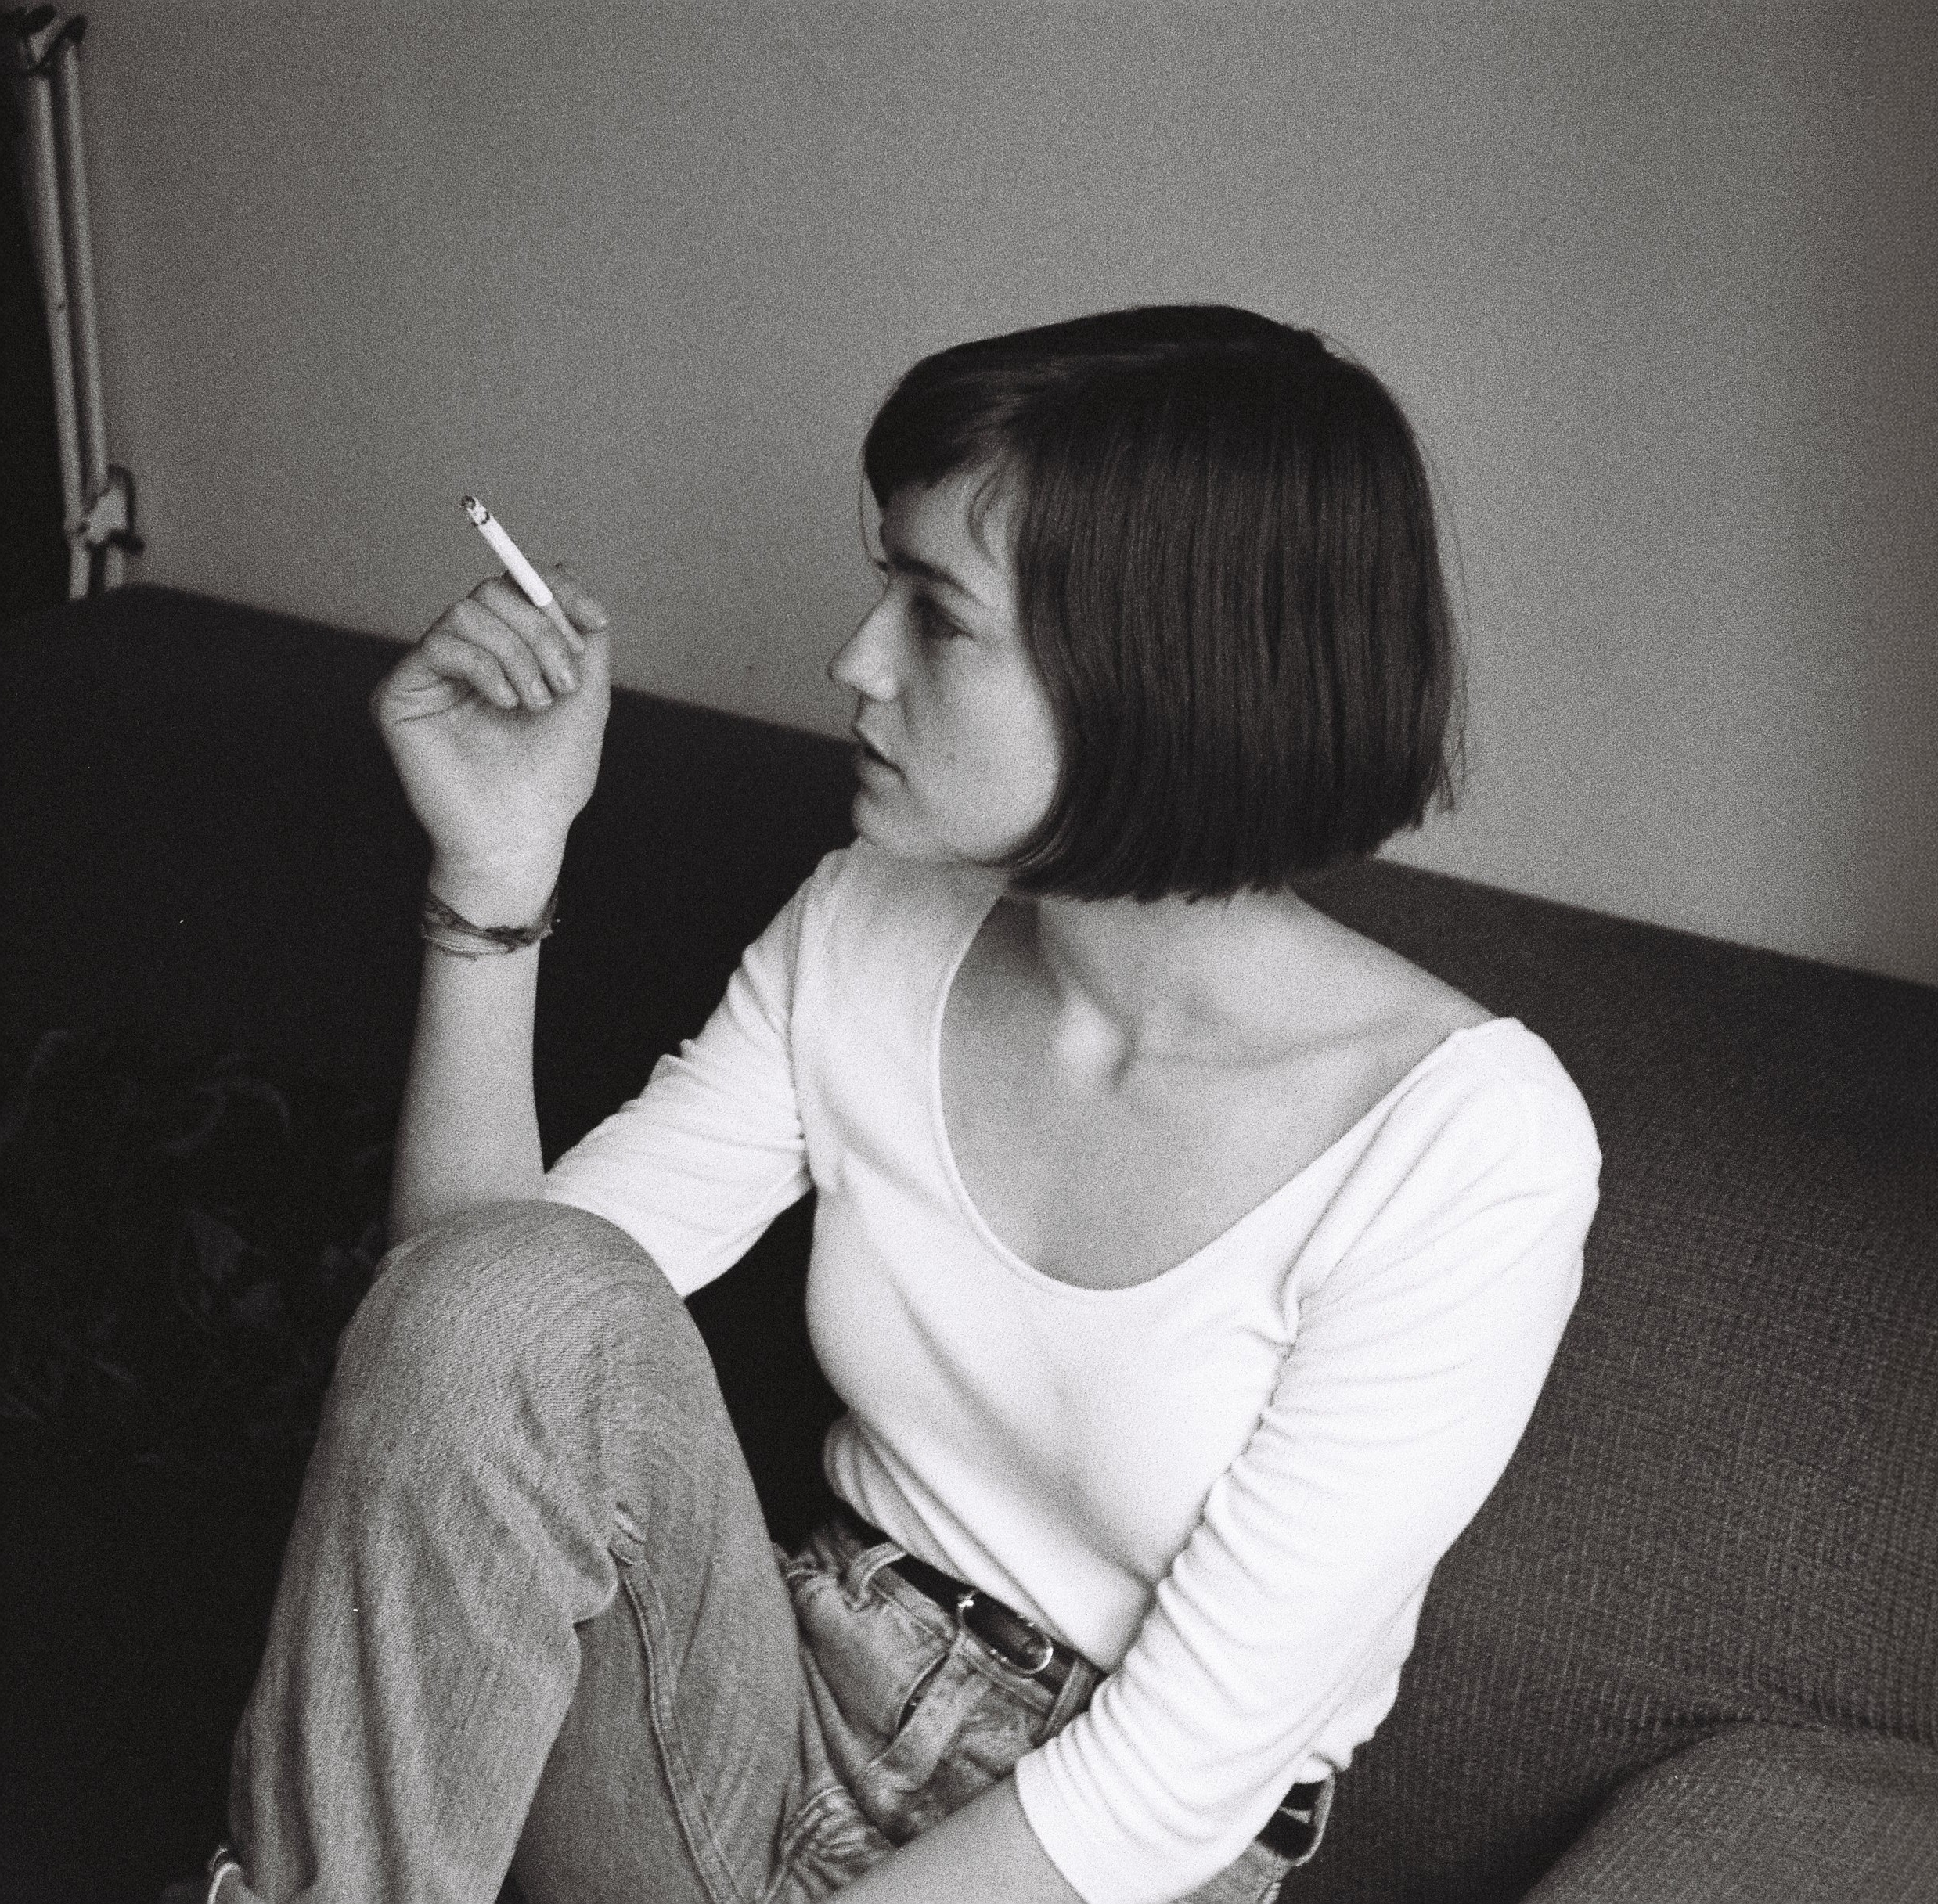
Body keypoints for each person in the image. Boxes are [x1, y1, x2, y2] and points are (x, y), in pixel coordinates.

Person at [194, 304, 1602, 1904]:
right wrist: (493, 882)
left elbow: (1165, 1785)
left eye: (934, 615)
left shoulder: (1465, 1144)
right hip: (757, 1716)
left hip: (1088, 1856)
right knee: (511, 1290)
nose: (852, 659)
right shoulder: (865, 921)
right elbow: (465, 1349)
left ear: (1153, 674)